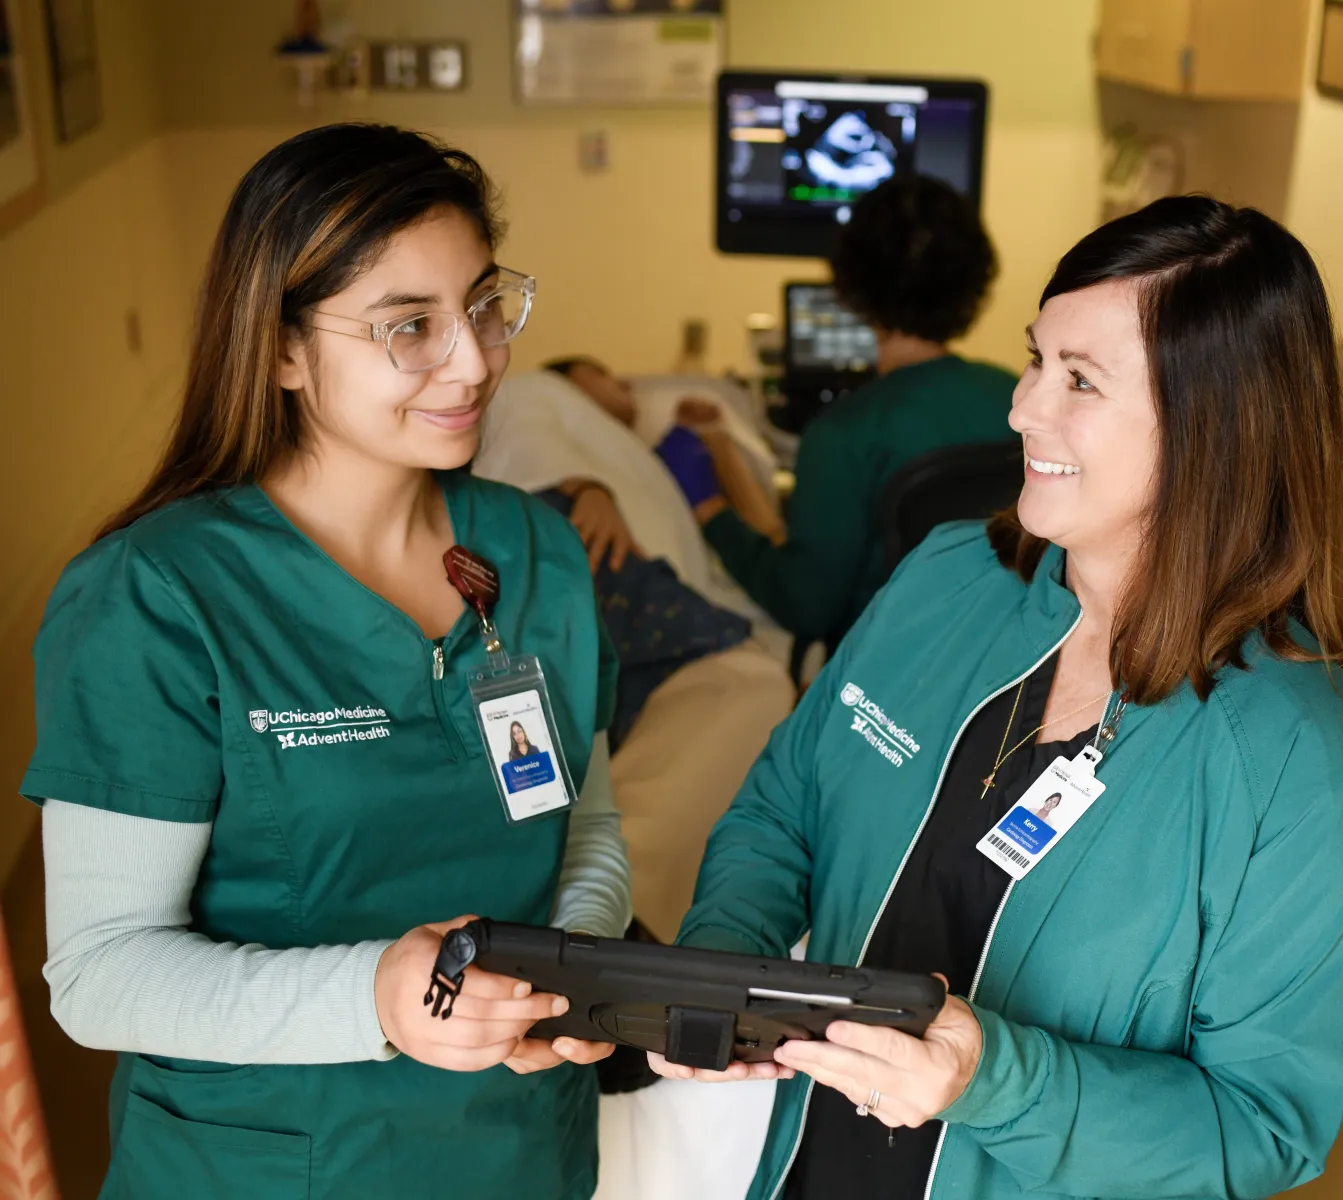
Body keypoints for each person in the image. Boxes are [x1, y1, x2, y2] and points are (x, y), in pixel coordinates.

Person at [654, 196, 1343, 1200]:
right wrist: (716, 969)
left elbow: (1261, 1128)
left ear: (1216, 426)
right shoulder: (946, 579)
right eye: (1034, 360)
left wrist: (992, 1080)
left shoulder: (1303, 772)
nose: (1021, 409)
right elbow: (782, 809)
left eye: (1080, 381)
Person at [27, 124, 631, 1198]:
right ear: (281, 350)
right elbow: (99, 972)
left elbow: (583, 831)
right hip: (270, 1162)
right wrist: (379, 997)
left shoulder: (538, 553)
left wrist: (574, 977)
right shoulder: (159, 597)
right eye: (409, 326)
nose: (474, 358)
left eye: (482, 305)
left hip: (518, 1149)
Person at [696, 173, 1018, 652]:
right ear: (975, 280)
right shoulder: (1020, 397)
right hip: (998, 663)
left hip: (881, 680)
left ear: (851, 287)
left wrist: (711, 511)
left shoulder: (842, 435)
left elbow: (806, 607)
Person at [547, 356, 786, 543]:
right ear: (562, 390)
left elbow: (767, 534)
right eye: (600, 375)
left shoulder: (669, 450)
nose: (625, 384)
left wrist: (711, 437)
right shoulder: (569, 469)